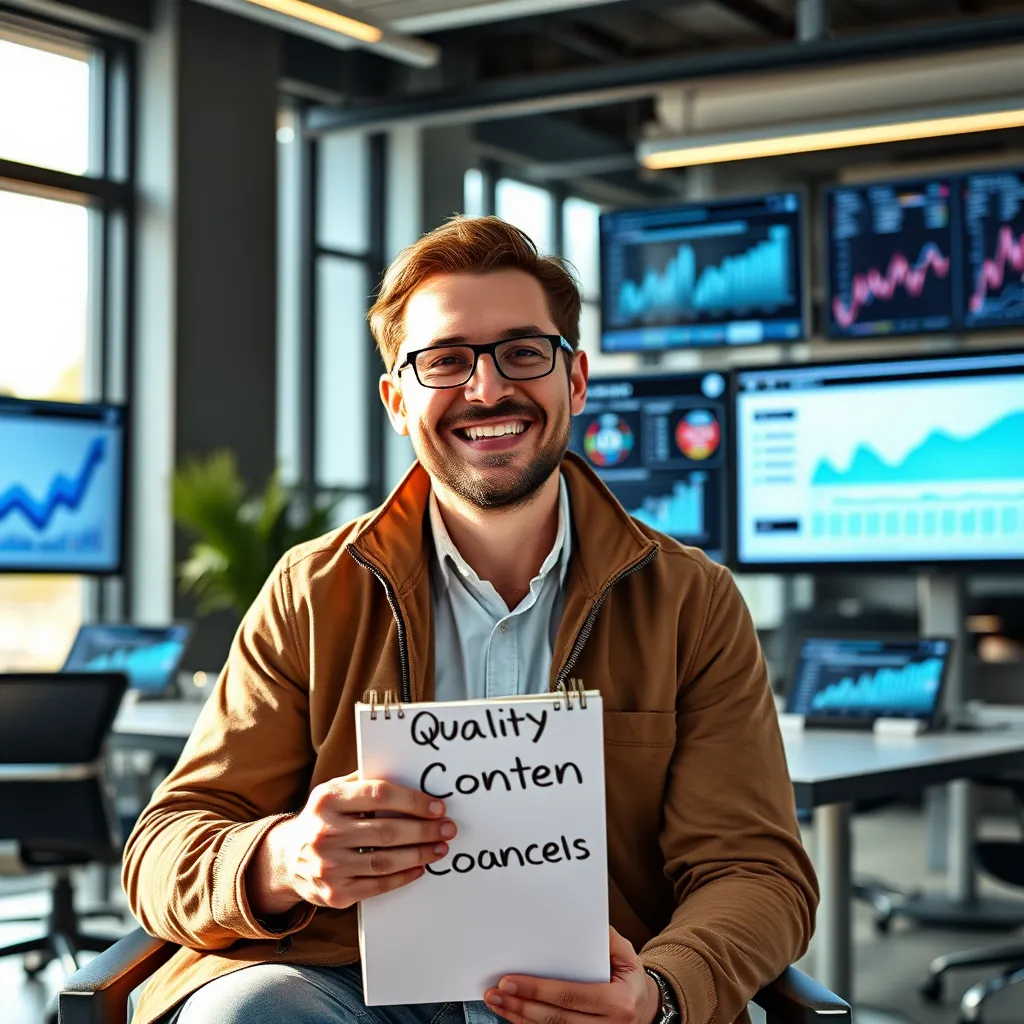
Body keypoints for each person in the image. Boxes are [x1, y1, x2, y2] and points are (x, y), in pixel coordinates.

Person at [123, 216, 817, 1024]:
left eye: (524, 352)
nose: (487, 389)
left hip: (592, 988)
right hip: (350, 986)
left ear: (576, 380)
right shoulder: (311, 590)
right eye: (446, 360)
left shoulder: (692, 601)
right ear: (396, 400)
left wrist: (659, 992)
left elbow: (757, 872)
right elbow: (165, 845)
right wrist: (281, 859)